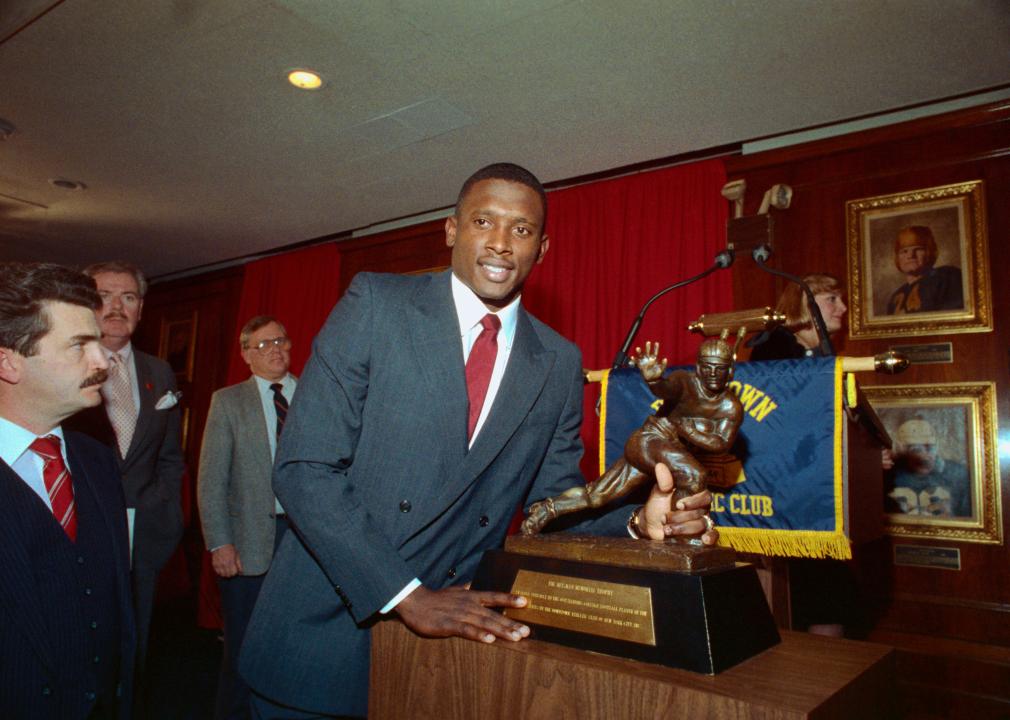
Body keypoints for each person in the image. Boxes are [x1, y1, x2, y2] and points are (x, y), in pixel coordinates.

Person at [238, 163, 716, 718]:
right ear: (450, 229)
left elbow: (550, 507)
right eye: (483, 221)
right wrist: (407, 596)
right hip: (322, 638)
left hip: (447, 657)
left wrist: (636, 522)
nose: (500, 243)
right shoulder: (377, 305)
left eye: (522, 229)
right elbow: (304, 469)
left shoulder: (558, 361)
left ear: (543, 247)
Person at [0, 262, 135, 719]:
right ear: (8, 361)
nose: (102, 361)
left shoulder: (96, 460)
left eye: (97, 342)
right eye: (79, 345)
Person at [64, 261, 186, 677]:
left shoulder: (160, 371)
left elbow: (170, 456)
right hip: (76, 532)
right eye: (104, 296)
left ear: (140, 309)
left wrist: (165, 513)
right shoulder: (63, 366)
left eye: (128, 297)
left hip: (144, 538)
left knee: (134, 652)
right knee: (78, 648)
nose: (117, 307)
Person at [522, 337, 741, 540]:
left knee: (597, 495)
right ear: (698, 367)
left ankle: (548, 508)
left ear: (730, 370)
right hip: (648, 441)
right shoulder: (685, 381)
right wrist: (654, 380)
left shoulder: (729, 407)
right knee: (694, 474)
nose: (712, 373)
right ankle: (678, 536)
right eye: (707, 367)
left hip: (656, 452)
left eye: (719, 368)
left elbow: (720, 444)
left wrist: (685, 429)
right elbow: (667, 389)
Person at [197, 316, 296, 720]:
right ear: (245, 355)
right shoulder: (228, 401)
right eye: (262, 345)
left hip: (306, 542)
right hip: (249, 541)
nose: (275, 349)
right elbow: (211, 479)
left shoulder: (315, 395)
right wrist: (220, 542)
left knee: (294, 642)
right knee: (243, 644)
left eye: (281, 340)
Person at [747, 272, 855, 638]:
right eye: (832, 300)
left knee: (829, 593)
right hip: (783, 496)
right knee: (813, 596)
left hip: (816, 492)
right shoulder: (774, 348)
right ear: (804, 305)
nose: (842, 308)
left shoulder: (823, 354)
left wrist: (861, 453)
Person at [749, 273, 846, 360]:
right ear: (805, 303)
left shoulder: (825, 352)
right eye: (832, 299)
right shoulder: (773, 348)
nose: (844, 308)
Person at [886, 418, 970, 518]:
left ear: (937, 445)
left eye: (930, 447)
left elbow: (969, 519)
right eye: (916, 448)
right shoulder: (889, 473)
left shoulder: (957, 474)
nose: (925, 455)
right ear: (901, 448)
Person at [885, 225, 963, 314]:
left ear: (929, 252)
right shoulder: (896, 297)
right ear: (897, 258)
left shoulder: (947, 277)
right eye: (904, 251)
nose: (910, 256)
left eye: (918, 249)